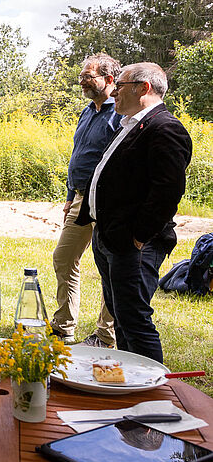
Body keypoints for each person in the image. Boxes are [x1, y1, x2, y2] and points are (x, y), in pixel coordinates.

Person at [76, 62, 192, 362]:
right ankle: (130, 383)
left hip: (135, 242)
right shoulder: (131, 124)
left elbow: (167, 191)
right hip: (110, 236)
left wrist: (138, 237)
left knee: (134, 318)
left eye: (121, 85)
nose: (114, 92)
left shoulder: (165, 128)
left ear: (144, 88)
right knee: (121, 313)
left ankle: (154, 395)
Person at [50, 54, 121, 348]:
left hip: (109, 202)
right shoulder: (87, 112)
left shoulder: (120, 113)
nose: (82, 81)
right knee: (64, 257)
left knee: (111, 266)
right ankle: (64, 326)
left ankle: (105, 336)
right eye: (81, 76)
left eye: (88, 76)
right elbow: (79, 154)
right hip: (80, 199)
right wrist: (70, 195)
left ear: (109, 79)